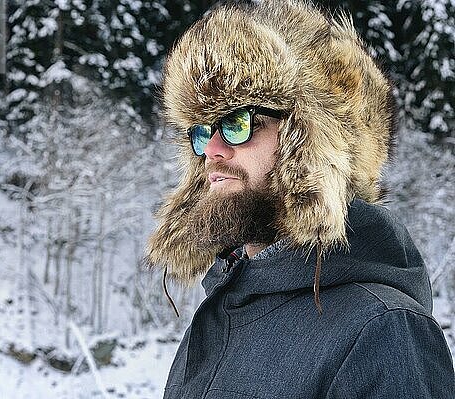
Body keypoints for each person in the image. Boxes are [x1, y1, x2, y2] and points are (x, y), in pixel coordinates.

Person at [146, 0, 455, 398]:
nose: (213, 150)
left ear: (311, 147)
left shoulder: (384, 329)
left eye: (239, 123)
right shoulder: (222, 312)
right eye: (203, 131)